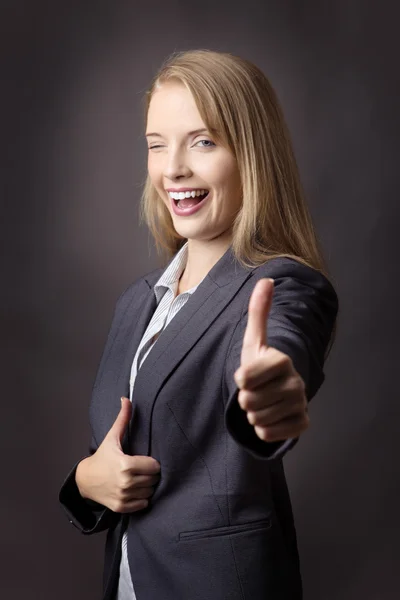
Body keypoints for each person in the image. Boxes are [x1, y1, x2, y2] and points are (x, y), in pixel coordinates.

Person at [59, 49, 338, 600]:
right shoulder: (136, 304)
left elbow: (282, 350)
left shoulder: (283, 286)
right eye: (157, 144)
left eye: (203, 142)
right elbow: (116, 457)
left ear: (251, 155)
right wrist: (85, 485)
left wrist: (270, 392)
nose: (172, 169)